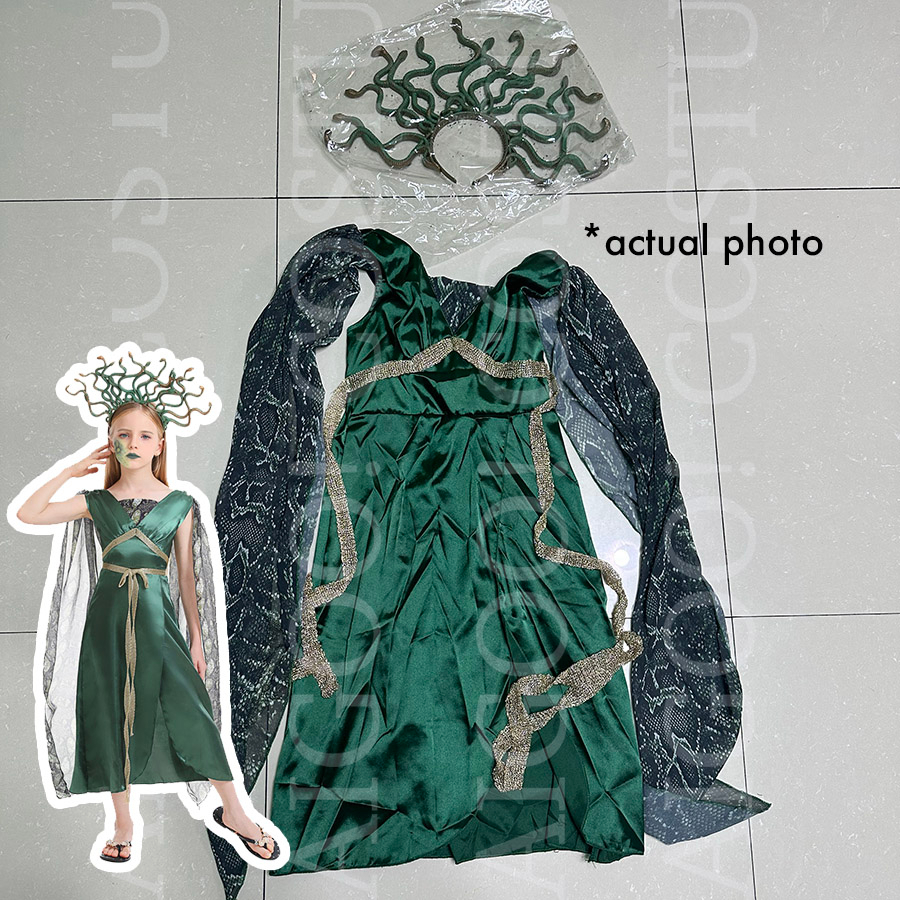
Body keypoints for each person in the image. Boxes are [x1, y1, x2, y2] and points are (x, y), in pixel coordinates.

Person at [15, 348, 280, 866]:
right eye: (123, 434)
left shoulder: (180, 504)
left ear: (160, 444)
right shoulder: (96, 503)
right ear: (110, 442)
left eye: (143, 435)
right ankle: (122, 821)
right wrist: (72, 469)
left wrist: (198, 639)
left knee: (194, 712)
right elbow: (29, 512)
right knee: (109, 713)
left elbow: (187, 579)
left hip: (160, 623)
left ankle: (234, 811)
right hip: (107, 624)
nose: (132, 443)